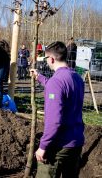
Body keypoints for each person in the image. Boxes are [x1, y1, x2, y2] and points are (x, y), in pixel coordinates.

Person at [30, 41, 84, 178]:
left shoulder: (56, 82)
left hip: (59, 145)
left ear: (52, 59)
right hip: (76, 143)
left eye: (46, 58)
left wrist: (43, 147)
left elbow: (54, 121)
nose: (47, 62)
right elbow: (61, 90)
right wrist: (40, 78)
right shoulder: (77, 78)